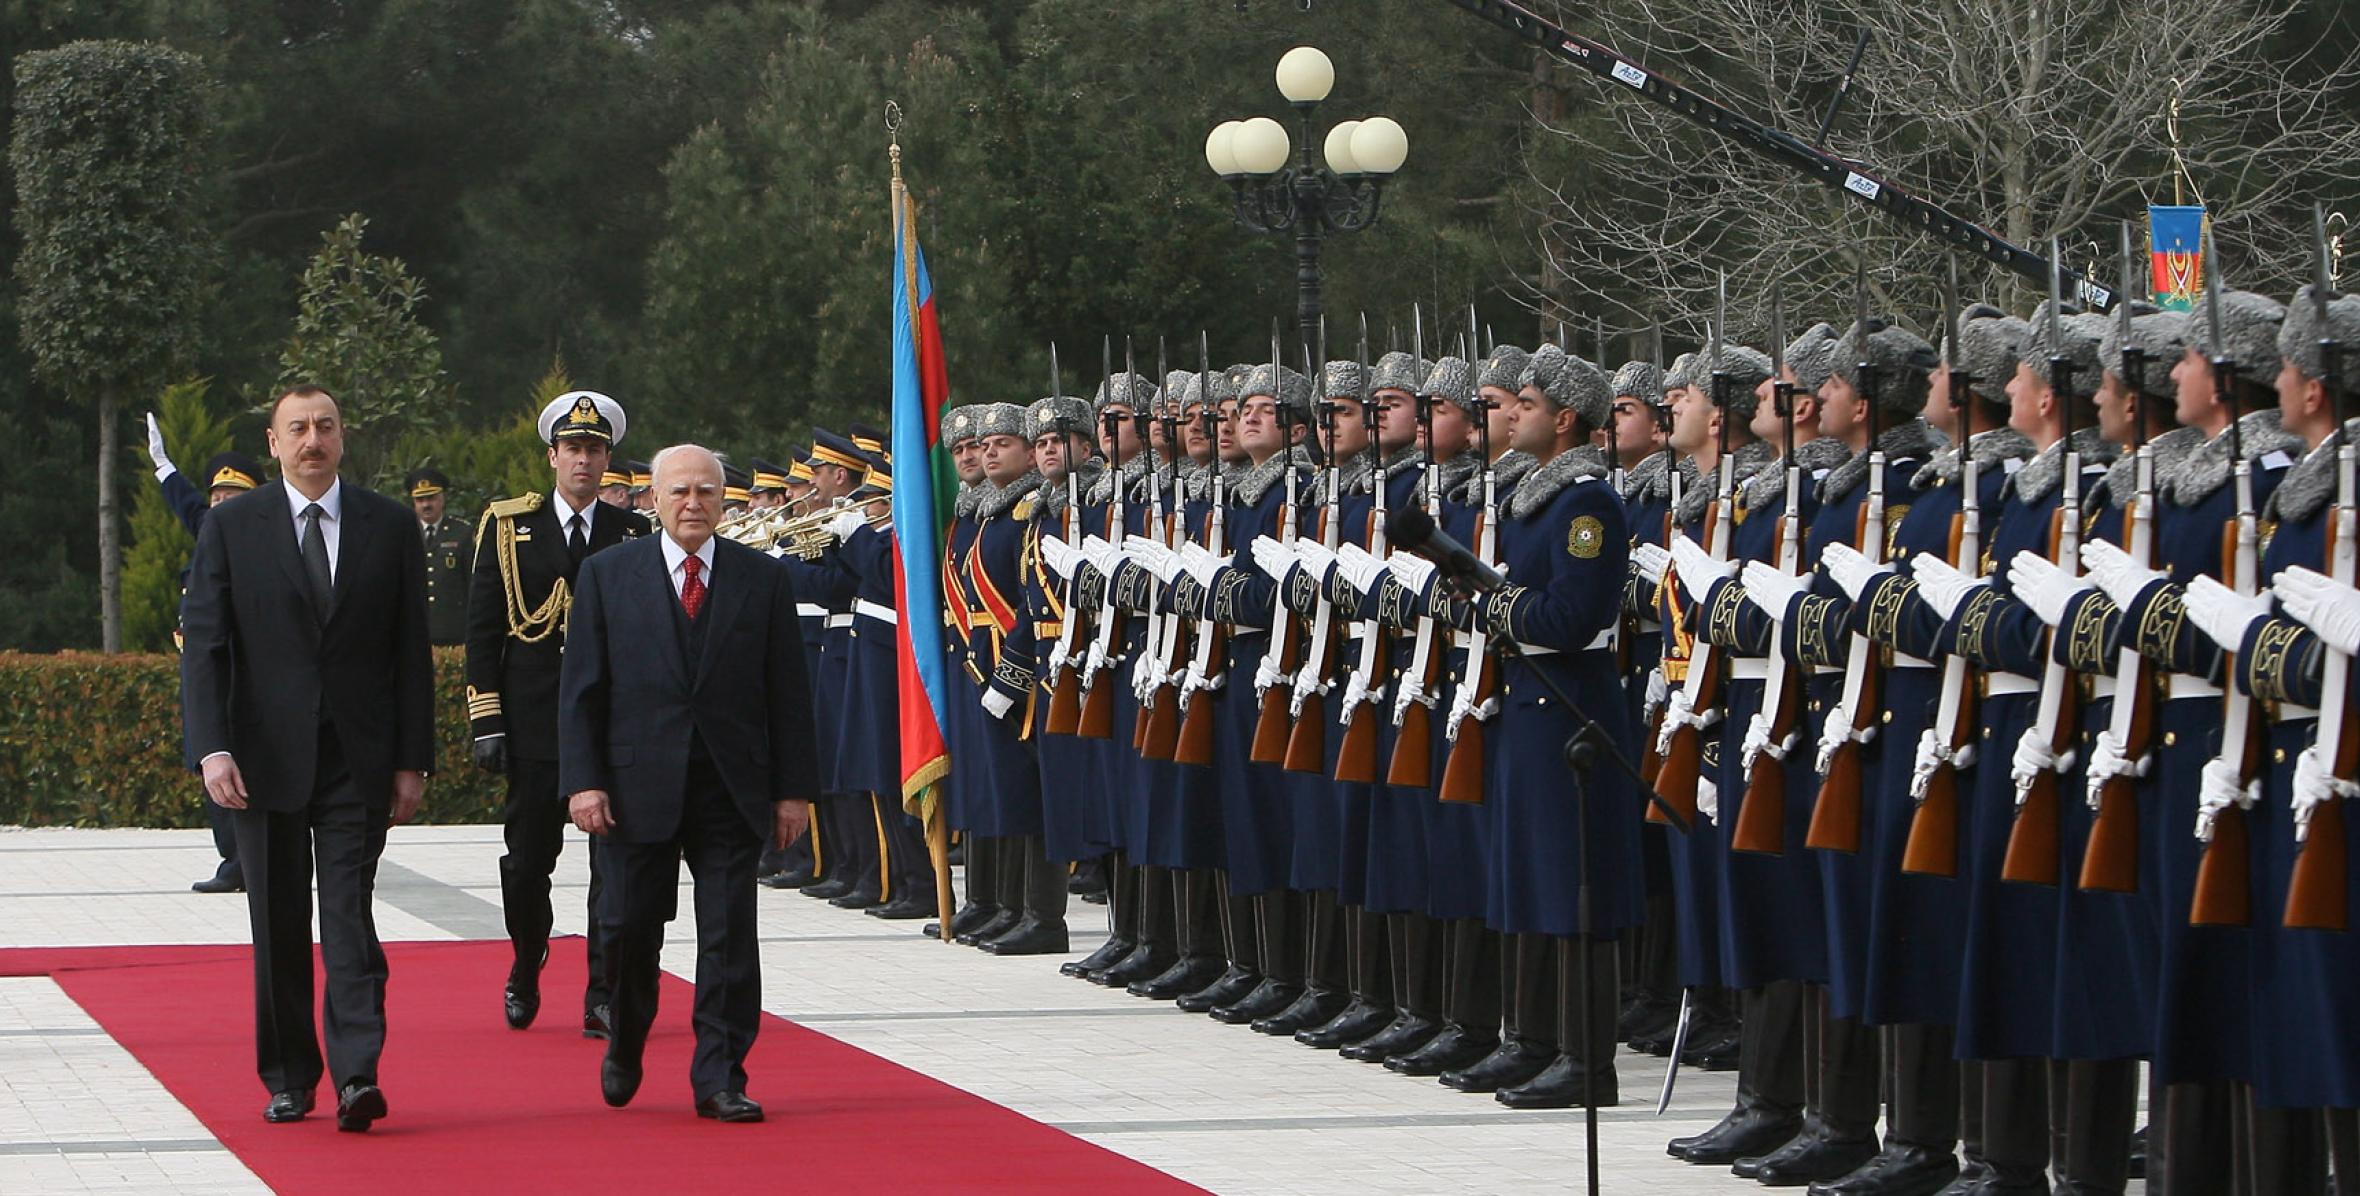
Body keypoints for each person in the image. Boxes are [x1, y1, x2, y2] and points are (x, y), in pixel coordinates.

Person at [179, 383, 434, 1133]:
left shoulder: (388, 525)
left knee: (349, 915)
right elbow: (207, 649)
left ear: (342, 437)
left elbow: (408, 653)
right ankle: (290, 1076)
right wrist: (211, 749)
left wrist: (412, 758)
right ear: (273, 442)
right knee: (279, 922)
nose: (313, 440)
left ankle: (359, 1074)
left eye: (325, 426)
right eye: (298, 429)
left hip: (357, 758)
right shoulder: (233, 528)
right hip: (262, 760)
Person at [559, 443, 818, 1122]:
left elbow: (787, 692)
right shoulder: (608, 576)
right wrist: (583, 783)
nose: (694, 504)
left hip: (731, 789)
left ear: (724, 498)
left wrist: (793, 791)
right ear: (653, 498)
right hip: (634, 788)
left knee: (729, 935)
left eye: (706, 491)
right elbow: (581, 691)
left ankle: (721, 1074)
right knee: (628, 930)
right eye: (679, 492)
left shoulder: (762, 579)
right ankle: (627, 1039)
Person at [465, 391, 649, 1039]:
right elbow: (485, 630)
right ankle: (525, 958)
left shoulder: (632, 532)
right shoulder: (509, 526)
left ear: (607, 460)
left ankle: (602, 988)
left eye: (595, 450)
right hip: (535, 723)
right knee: (526, 861)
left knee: (614, 867)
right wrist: (486, 718)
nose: (584, 461)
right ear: (552, 456)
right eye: (572, 449)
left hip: (609, 725)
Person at [146, 413, 265, 894]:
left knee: (241, 767)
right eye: (216, 499)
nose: (218, 508)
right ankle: (234, 860)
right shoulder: (214, 535)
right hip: (205, 674)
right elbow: (190, 508)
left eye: (230, 500)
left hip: (242, 674)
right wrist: (163, 468)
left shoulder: (257, 543)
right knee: (209, 761)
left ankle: (245, 862)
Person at [407, 467, 474, 646]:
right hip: (414, 630)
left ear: (442, 498)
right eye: (420, 500)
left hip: (453, 631)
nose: (426, 505)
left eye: (431, 498)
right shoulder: (404, 533)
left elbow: (471, 583)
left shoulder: (462, 533)